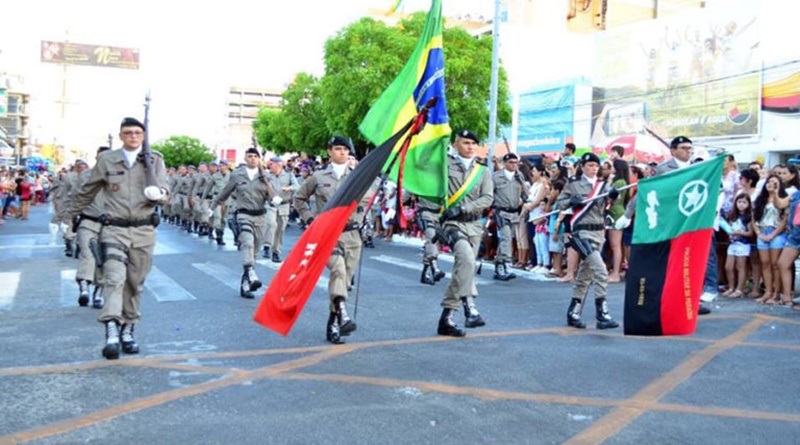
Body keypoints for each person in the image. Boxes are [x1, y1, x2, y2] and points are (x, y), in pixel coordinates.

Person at [67, 117, 169, 360]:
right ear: (121, 136)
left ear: (143, 136)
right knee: (113, 278)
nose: (133, 137)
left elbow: (166, 191)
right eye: (128, 133)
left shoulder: (154, 160)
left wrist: (160, 195)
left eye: (137, 133)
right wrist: (70, 217)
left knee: (135, 283)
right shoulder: (107, 160)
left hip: (144, 231)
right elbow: (87, 190)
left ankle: (128, 328)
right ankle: (111, 328)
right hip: (114, 229)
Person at [294, 136, 377, 344]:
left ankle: (333, 319)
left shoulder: (359, 177)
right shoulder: (318, 176)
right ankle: (342, 313)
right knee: (338, 269)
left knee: (344, 280)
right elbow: (299, 198)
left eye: (345, 149)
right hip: (327, 235)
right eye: (337, 149)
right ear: (329, 152)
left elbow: (370, 200)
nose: (342, 152)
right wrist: (310, 219)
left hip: (352, 235)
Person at [617, 136, 713, 315]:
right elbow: (645, 193)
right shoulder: (661, 170)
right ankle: (664, 301)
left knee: (691, 262)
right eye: (684, 148)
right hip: (669, 223)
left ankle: (691, 301)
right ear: (673, 150)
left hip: (690, 223)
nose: (688, 151)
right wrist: (627, 214)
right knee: (668, 264)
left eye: (690, 148)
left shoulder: (697, 169)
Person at [435, 130, 493, 337]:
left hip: (474, 225)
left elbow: (487, 198)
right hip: (452, 224)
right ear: (456, 144)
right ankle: (470, 305)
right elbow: (431, 190)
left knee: (463, 269)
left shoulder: (482, 170)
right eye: (465, 142)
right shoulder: (444, 166)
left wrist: (464, 208)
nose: (469, 146)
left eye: (473, 143)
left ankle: (447, 317)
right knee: (467, 260)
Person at [558, 152, 620, 330]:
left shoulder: (603, 185)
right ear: (583, 167)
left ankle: (573, 312)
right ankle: (602, 314)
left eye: (595, 166)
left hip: (599, 231)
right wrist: (572, 201)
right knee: (601, 272)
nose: (593, 169)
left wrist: (613, 196)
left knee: (585, 275)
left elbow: (610, 206)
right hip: (582, 232)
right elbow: (561, 203)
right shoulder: (574, 184)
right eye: (590, 165)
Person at [210, 148, 281, 299]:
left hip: (260, 216)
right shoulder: (237, 175)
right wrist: (212, 207)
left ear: (259, 159)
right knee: (247, 243)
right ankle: (251, 273)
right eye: (250, 156)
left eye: (256, 156)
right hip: (243, 214)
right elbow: (225, 192)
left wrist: (273, 196)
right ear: (245, 158)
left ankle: (246, 282)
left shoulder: (266, 176)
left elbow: (273, 197)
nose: (253, 159)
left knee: (254, 252)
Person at [74, 147, 112, 309]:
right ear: (96, 158)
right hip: (88, 221)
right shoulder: (85, 176)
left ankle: (98, 292)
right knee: (87, 254)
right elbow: (75, 198)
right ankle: (84, 287)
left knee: (104, 260)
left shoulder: (119, 177)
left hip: (110, 225)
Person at [491, 153, 527, 280]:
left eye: (516, 163)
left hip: (513, 212)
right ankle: (505, 263)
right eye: (511, 162)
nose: (514, 165)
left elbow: (526, 196)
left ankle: (499, 264)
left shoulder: (519, 177)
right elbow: (489, 194)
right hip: (501, 211)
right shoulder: (496, 177)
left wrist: (521, 181)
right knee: (505, 236)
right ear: (505, 163)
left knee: (507, 239)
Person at [262, 156, 298, 262]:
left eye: (272, 164)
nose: (270, 166)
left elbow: (297, 186)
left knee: (280, 229)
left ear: (279, 165)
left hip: (283, 205)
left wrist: (289, 188)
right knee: (271, 224)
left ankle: (276, 252)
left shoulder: (288, 175)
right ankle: (267, 246)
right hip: (271, 204)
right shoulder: (268, 176)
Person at [418, 196, 447, 285]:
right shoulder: (422, 182)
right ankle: (435, 268)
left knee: (434, 241)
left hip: (439, 214)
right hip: (425, 212)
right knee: (431, 239)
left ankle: (424, 274)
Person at [204, 160, 231, 245]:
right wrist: (203, 198)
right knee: (217, 217)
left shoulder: (232, 176)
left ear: (227, 166)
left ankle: (221, 235)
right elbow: (208, 188)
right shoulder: (215, 176)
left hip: (227, 199)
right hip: (217, 198)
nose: (221, 167)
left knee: (224, 219)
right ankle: (218, 233)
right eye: (220, 165)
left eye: (223, 165)